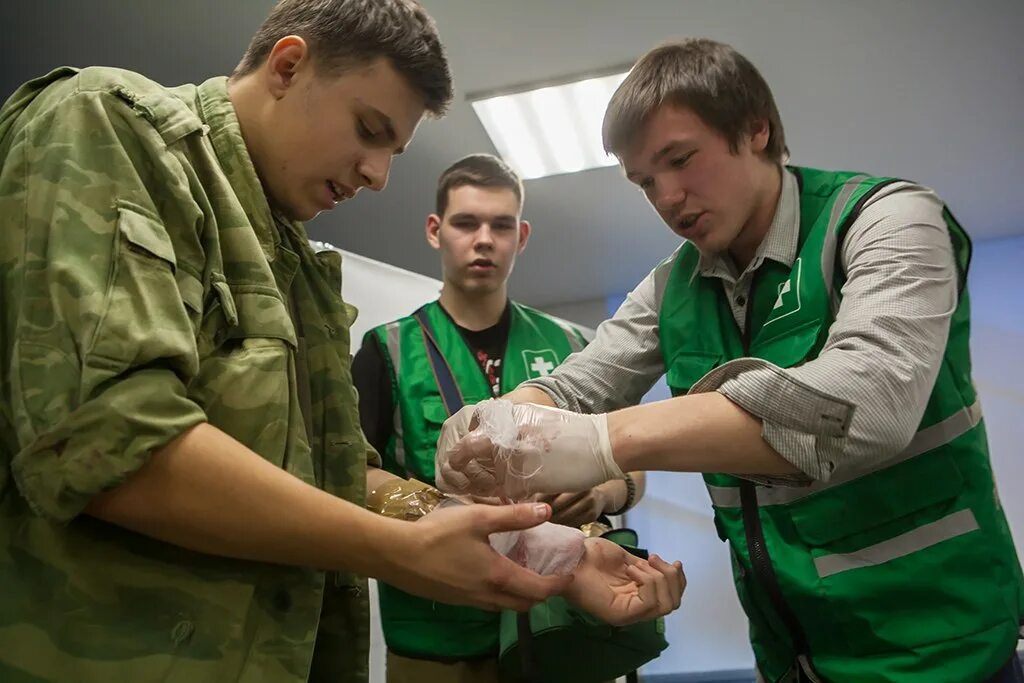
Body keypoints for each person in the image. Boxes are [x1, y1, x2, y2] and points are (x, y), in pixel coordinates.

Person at [0, 2, 683, 681]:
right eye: (368, 129)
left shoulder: (291, 260)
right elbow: (111, 443)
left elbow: (344, 473)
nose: (377, 174)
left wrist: (542, 545)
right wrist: (396, 550)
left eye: (392, 150)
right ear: (288, 65)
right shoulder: (110, 128)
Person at [437, 38, 1024, 682]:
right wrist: (492, 423)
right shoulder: (671, 287)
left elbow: (871, 397)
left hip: (944, 644)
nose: (667, 197)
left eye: (681, 160)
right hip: (792, 650)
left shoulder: (887, 220)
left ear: (755, 129)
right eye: (644, 182)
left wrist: (606, 441)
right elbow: (581, 384)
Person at [352, 153, 648, 682]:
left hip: (564, 626)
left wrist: (601, 494)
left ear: (522, 235)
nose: (483, 238)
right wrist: (435, 509)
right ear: (435, 230)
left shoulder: (575, 348)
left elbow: (632, 464)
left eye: (501, 225)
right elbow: (348, 469)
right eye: (466, 223)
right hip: (439, 635)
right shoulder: (385, 350)